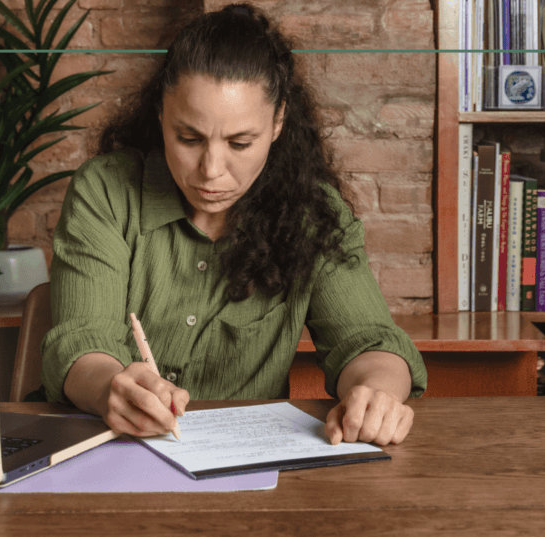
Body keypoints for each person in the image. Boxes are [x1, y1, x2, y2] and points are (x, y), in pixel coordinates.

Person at [39, 3, 428, 446]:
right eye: (188, 138)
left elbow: (367, 340)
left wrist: (375, 394)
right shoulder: (106, 192)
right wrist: (111, 386)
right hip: (105, 451)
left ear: (278, 121)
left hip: (248, 467)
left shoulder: (313, 213)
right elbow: (81, 340)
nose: (211, 170)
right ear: (161, 114)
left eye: (241, 143)